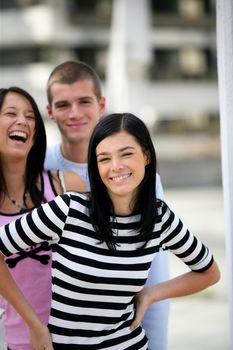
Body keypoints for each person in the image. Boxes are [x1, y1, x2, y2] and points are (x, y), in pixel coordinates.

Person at [0, 112, 220, 349]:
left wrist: (151, 294)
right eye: (104, 159)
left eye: (126, 154)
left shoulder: (159, 218)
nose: (116, 167)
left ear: (146, 155)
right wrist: (33, 324)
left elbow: (209, 273)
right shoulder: (68, 209)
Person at [44, 60, 169, 349]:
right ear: (49, 111)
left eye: (84, 101)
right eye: (63, 104)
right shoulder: (37, 168)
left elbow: (153, 276)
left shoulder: (138, 176)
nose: (74, 113)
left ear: (101, 104)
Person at [0, 86, 86, 350]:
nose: (22, 121)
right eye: (11, 113)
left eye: (30, 116)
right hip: (25, 338)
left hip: (84, 332)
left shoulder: (66, 185)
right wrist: (36, 327)